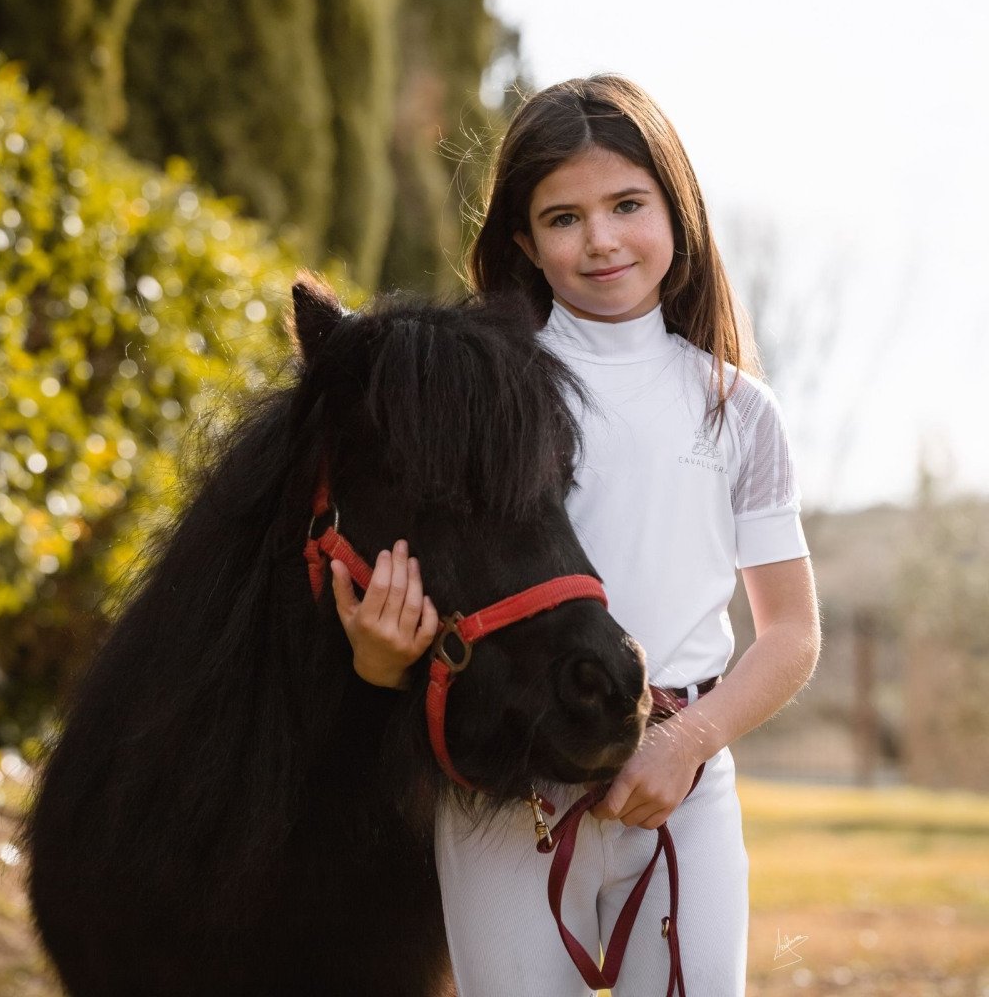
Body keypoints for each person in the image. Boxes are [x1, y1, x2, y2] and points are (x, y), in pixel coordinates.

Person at [329, 74, 821, 997]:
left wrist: (687, 743)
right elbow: (426, 593)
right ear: (523, 241)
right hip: (505, 789)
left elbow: (792, 632)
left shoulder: (738, 409)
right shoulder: (479, 392)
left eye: (627, 205)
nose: (600, 239)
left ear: (677, 211)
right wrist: (377, 659)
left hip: (681, 789)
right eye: (563, 217)